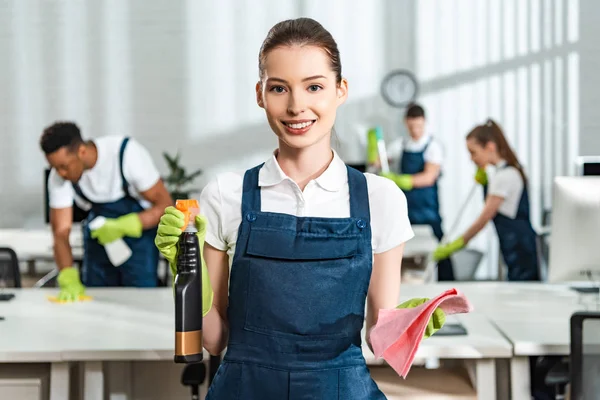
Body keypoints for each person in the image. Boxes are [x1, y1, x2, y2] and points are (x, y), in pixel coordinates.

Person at [155, 18, 445, 399]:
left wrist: (409, 322)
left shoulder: (381, 198)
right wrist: (191, 280)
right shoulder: (225, 195)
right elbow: (214, 340)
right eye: (279, 88)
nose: (296, 106)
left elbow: (378, 342)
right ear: (260, 94)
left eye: (314, 87)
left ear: (340, 91)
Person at [40, 122, 173, 301]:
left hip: (139, 246)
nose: (61, 173)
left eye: (64, 166)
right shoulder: (59, 177)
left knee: (141, 302)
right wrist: (67, 274)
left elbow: (165, 206)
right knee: (99, 302)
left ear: (81, 151)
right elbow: (61, 233)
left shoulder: (126, 154)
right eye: (55, 168)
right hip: (98, 245)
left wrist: (129, 224)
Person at [433, 119, 539, 281]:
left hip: (520, 250)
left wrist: (458, 244)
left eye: (473, 152)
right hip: (514, 247)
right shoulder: (503, 173)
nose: (471, 158)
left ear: (490, 147)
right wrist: (485, 183)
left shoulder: (505, 176)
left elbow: (484, 218)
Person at [380, 104, 455, 281]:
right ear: (406, 123)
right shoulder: (400, 145)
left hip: (428, 208)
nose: (415, 130)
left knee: (439, 245)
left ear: (425, 122)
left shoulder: (433, 146)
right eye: (412, 126)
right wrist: (377, 156)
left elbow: (429, 177)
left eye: (419, 126)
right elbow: (380, 160)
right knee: (403, 245)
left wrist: (400, 180)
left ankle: (447, 281)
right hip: (406, 208)